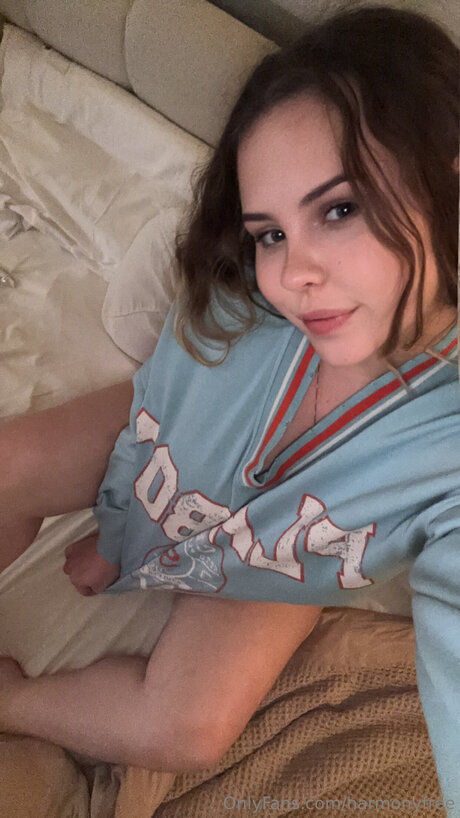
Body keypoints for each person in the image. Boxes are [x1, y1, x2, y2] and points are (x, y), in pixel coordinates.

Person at [1, 3, 459, 806]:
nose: (294, 275)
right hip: (166, 464)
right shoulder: (236, 297)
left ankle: (9, 702)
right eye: (270, 232)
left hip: (271, 565)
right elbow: (163, 417)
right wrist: (123, 531)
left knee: (189, 728)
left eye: (339, 209)